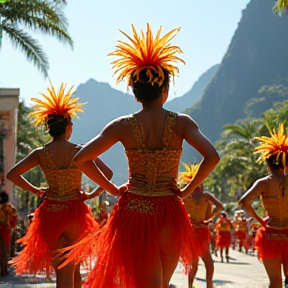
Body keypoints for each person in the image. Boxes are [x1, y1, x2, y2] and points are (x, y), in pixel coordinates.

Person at [58, 24, 220, 288]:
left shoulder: (122, 125)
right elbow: (211, 156)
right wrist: (187, 190)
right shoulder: (182, 123)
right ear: (165, 89)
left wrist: (112, 189)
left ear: (135, 92)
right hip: (170, 212)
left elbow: (82, 158)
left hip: (134, 211)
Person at [6, 83, 113, 288]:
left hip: (51, 213)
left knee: (63, 273)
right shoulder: (79, 150)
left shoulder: (41, 153)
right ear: (68, 126)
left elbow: (13, 174)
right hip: (76, 212)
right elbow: (108, 173)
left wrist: (37, 191)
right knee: (72, 272)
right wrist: (92, 194)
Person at [239, 123, 288, 288]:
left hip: (270, 234)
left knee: (275, 281)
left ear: (268, 162)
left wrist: (260, 220)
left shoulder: (264, 183)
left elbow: (243, 202)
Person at [179, 163, 223, 288]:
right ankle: (202, 285)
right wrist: (209, 218)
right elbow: (219, 206)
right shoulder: (193, 196)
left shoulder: (189, 196)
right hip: (194, 232)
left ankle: (197, 285)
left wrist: (209, 218)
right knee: (203, 263)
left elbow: (219, 206)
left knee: (198, 263)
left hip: (197, 231)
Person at [0, 191, 17, 276]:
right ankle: (4, 269)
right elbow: (13, 222)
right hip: (6, 232)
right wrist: (13, 229)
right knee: (5, 251)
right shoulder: (11, 208)